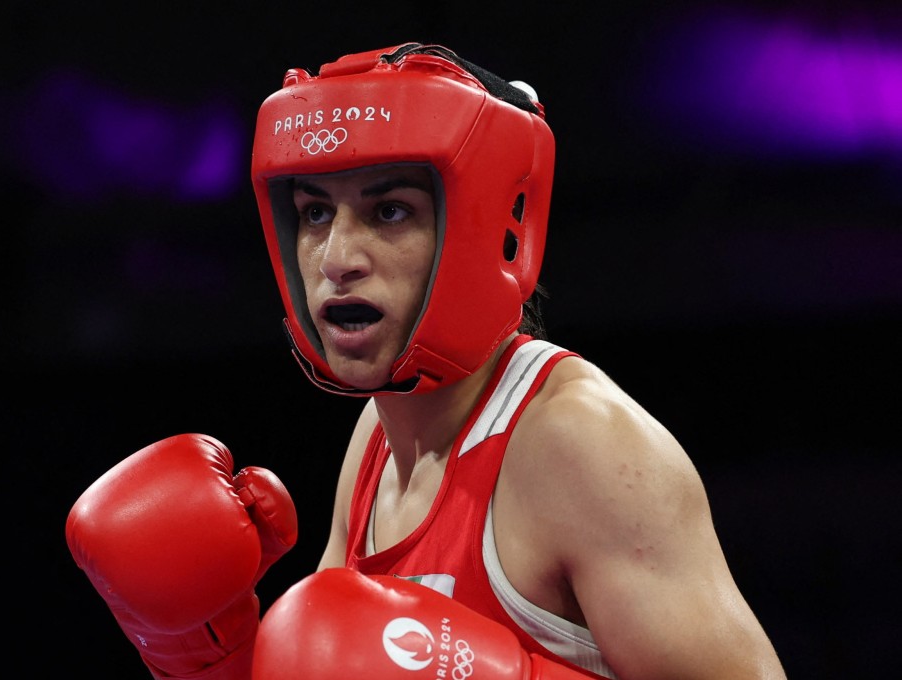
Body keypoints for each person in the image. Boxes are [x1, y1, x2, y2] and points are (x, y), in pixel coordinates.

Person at [66, 43, 787, 680]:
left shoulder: (580, 444)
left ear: (485, 230)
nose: (337, 260)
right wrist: (206, 657)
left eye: (389, 212)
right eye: (316, 213)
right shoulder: (376, 442)